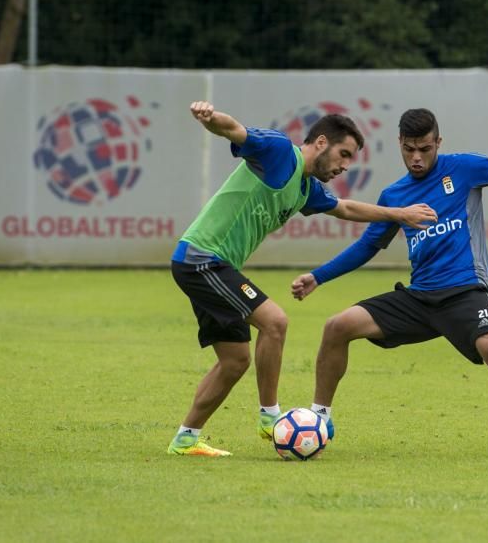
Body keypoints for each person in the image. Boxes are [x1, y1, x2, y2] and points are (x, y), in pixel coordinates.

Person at [290, 108, 488, 461]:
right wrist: (318, 276)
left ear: (438, 143)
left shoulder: (463, 169)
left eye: (426, 149)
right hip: (418, 299)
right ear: (400, 144)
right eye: (410, 149)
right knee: (337, 326)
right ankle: (320, 419)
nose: (417, 158)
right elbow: (368, 246)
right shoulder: (395, 195)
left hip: (465, 292)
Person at [167, 101, 437, 457]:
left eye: (350, 160)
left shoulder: (306, 188)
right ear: (321, 142)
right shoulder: (280, 152)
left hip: (217, 267)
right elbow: (236, 131)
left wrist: (397, 214)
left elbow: (345, 208)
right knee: (275, 322)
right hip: (201, 259)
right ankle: (271, 418)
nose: (343, 166)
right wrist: (211, 117)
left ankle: (185, 440)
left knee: (234, 361)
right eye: (343, 155)